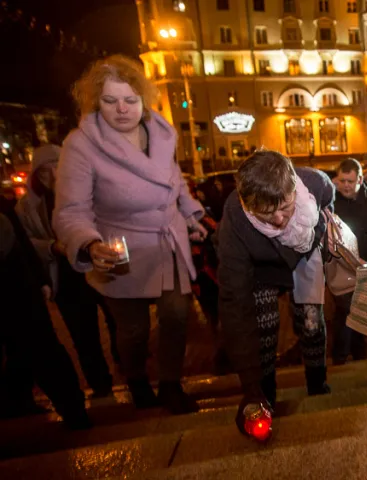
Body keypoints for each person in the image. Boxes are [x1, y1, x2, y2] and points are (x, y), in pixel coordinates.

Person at [53, 55, 207, 414]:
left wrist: (190, 212)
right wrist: (89, 243)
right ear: (96, 102)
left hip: (167, 242)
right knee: (134, 330)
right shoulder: (81, 144)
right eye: (110, 101)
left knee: (176, 315)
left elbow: (173, 179)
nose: (122, 109)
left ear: (144, 100)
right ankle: (136, 378)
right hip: (119, 248)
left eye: (130, 100)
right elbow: (72, 209)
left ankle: (170, 384)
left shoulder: (162, 132)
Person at [216, 150, 333, 418]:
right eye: (266, 214)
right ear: (247, 204)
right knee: (263, 327)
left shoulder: (315, 182)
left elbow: (329, 200)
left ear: (294, 188)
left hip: (305, 253)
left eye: (285, 207)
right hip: (261, 268)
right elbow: (235, 304)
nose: (279, 220)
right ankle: (264, 395)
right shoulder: (235, 219)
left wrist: (320, 229)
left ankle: (318, 384)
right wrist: (250, 389)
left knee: (311, 320)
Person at [16, 144, 118, 397]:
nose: (51, 175)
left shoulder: (89, 194)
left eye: (56, 167)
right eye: (43, 171)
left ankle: (130, 372)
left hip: (98, 269)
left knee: (119, 322)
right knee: (83, 336)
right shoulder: (28, 207)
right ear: (36, 176)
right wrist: (53, 247)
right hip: (64, 277)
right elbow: (26, 243)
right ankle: (101, 385)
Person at [0, 201, 91, 429]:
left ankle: (73, 411)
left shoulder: (4, 209)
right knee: (35, 350)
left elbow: (21, 242)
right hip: (18, 287)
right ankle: (17, 403)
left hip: (18, 287)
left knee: (41, 349)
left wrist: (40, 279)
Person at [330, 159, 367, 365]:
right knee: (346, 309)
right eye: (342, 180)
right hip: (342, 265)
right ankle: (341, 357)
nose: (346, 185)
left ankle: (359, 354)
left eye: (350, 181)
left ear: (360, 179)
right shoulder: (333, 200)